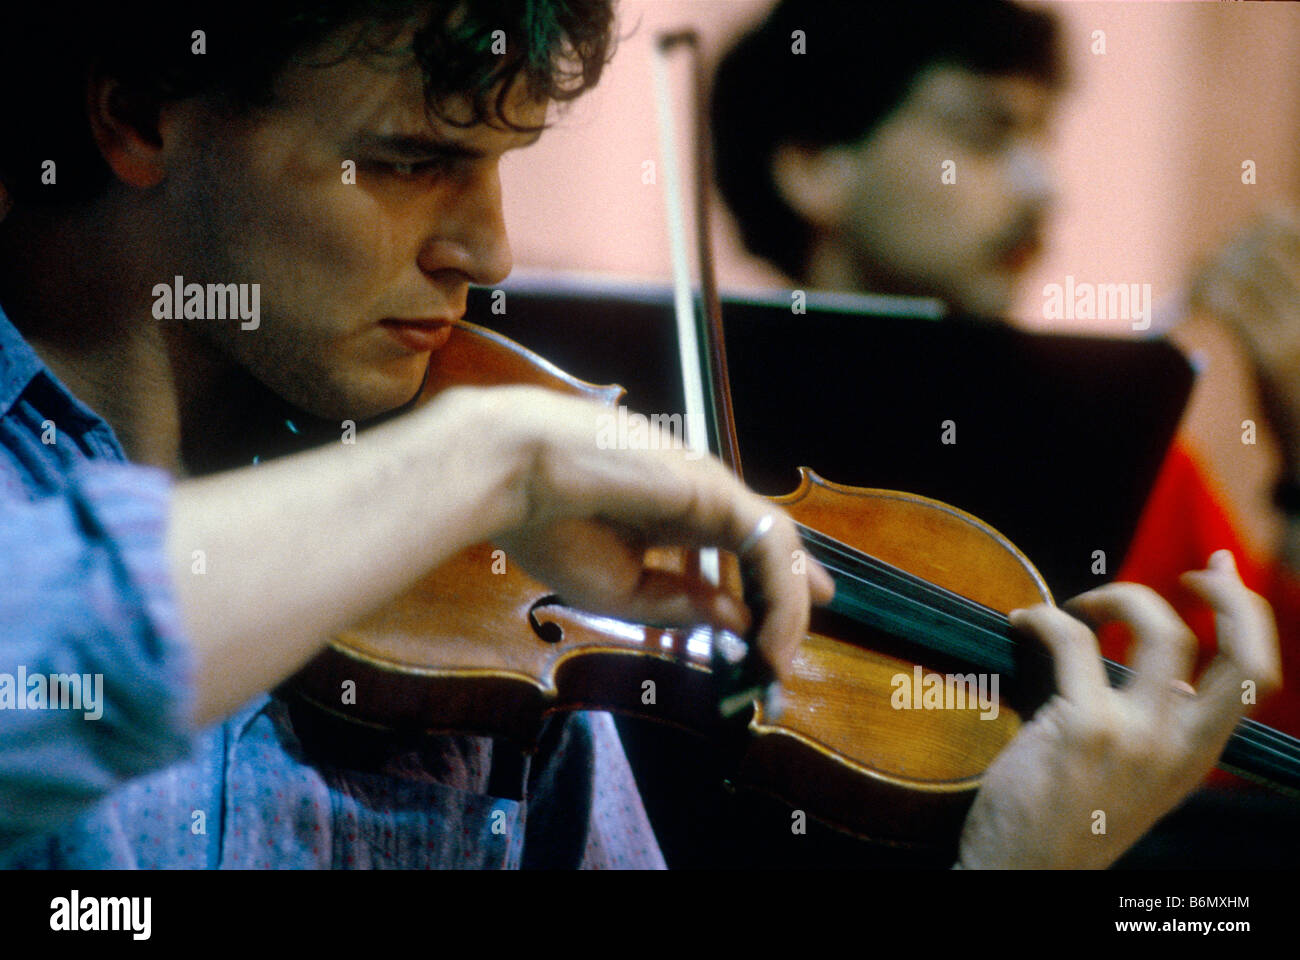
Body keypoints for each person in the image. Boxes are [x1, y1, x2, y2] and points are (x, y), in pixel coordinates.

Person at [0, 0, 1280, 871]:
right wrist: (487, 461)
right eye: (407, 162)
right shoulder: (484, 481)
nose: (487, 252)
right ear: (140, 115)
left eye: (501, 165)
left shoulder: (496, 599)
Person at [710, 0, 1300, 747]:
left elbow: (1262, 753)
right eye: (985, 136)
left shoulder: (1120, 444)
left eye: (1041, 137)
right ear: (812, 167)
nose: (1042, 188)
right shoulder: (693, 413)